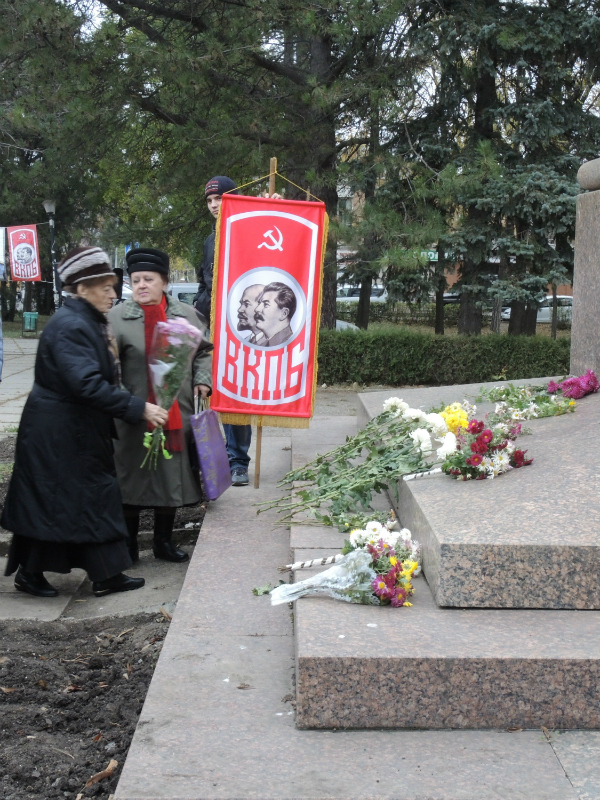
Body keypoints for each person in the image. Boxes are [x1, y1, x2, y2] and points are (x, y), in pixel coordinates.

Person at [2, 246, 168, 598]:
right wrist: (138, 408)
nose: (112, 293)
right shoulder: (72, 326)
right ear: (81, 288)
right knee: (73, 500)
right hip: (61, 433)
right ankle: (93, 576)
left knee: (65, 501)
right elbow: (86, 384)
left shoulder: (84, 319)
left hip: (67, 430)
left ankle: (94, 574)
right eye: (105, 287)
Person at [110, 247, 212, 563]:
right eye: (135, 280)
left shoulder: (187, 315)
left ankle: (163, 542)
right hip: (132, 414)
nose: (141, 285)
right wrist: (125, 401)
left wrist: (202, 379)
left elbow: (204, 350)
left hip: (175, 412)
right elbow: (107, 367)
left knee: (170, 476)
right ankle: (128, 545)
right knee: (130, 477)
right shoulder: (117, 319)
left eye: (148, 279)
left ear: (165, 282)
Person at [194, 175, 252, 487]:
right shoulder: (209, 241)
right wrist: (198, 309)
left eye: (220, 198)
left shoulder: (248, 231)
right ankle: (215, 458)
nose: (214, 205)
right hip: (211, 325)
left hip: (239, 326)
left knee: (236, 394)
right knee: (212, 392)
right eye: (210, 200)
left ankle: (238, 461)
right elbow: (204, 281)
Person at [254, 281, 297, 347]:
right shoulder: (260, 344)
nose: (257, 309)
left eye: (266, 304)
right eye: (259, 303)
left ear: (284, 313)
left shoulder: (290, 343)